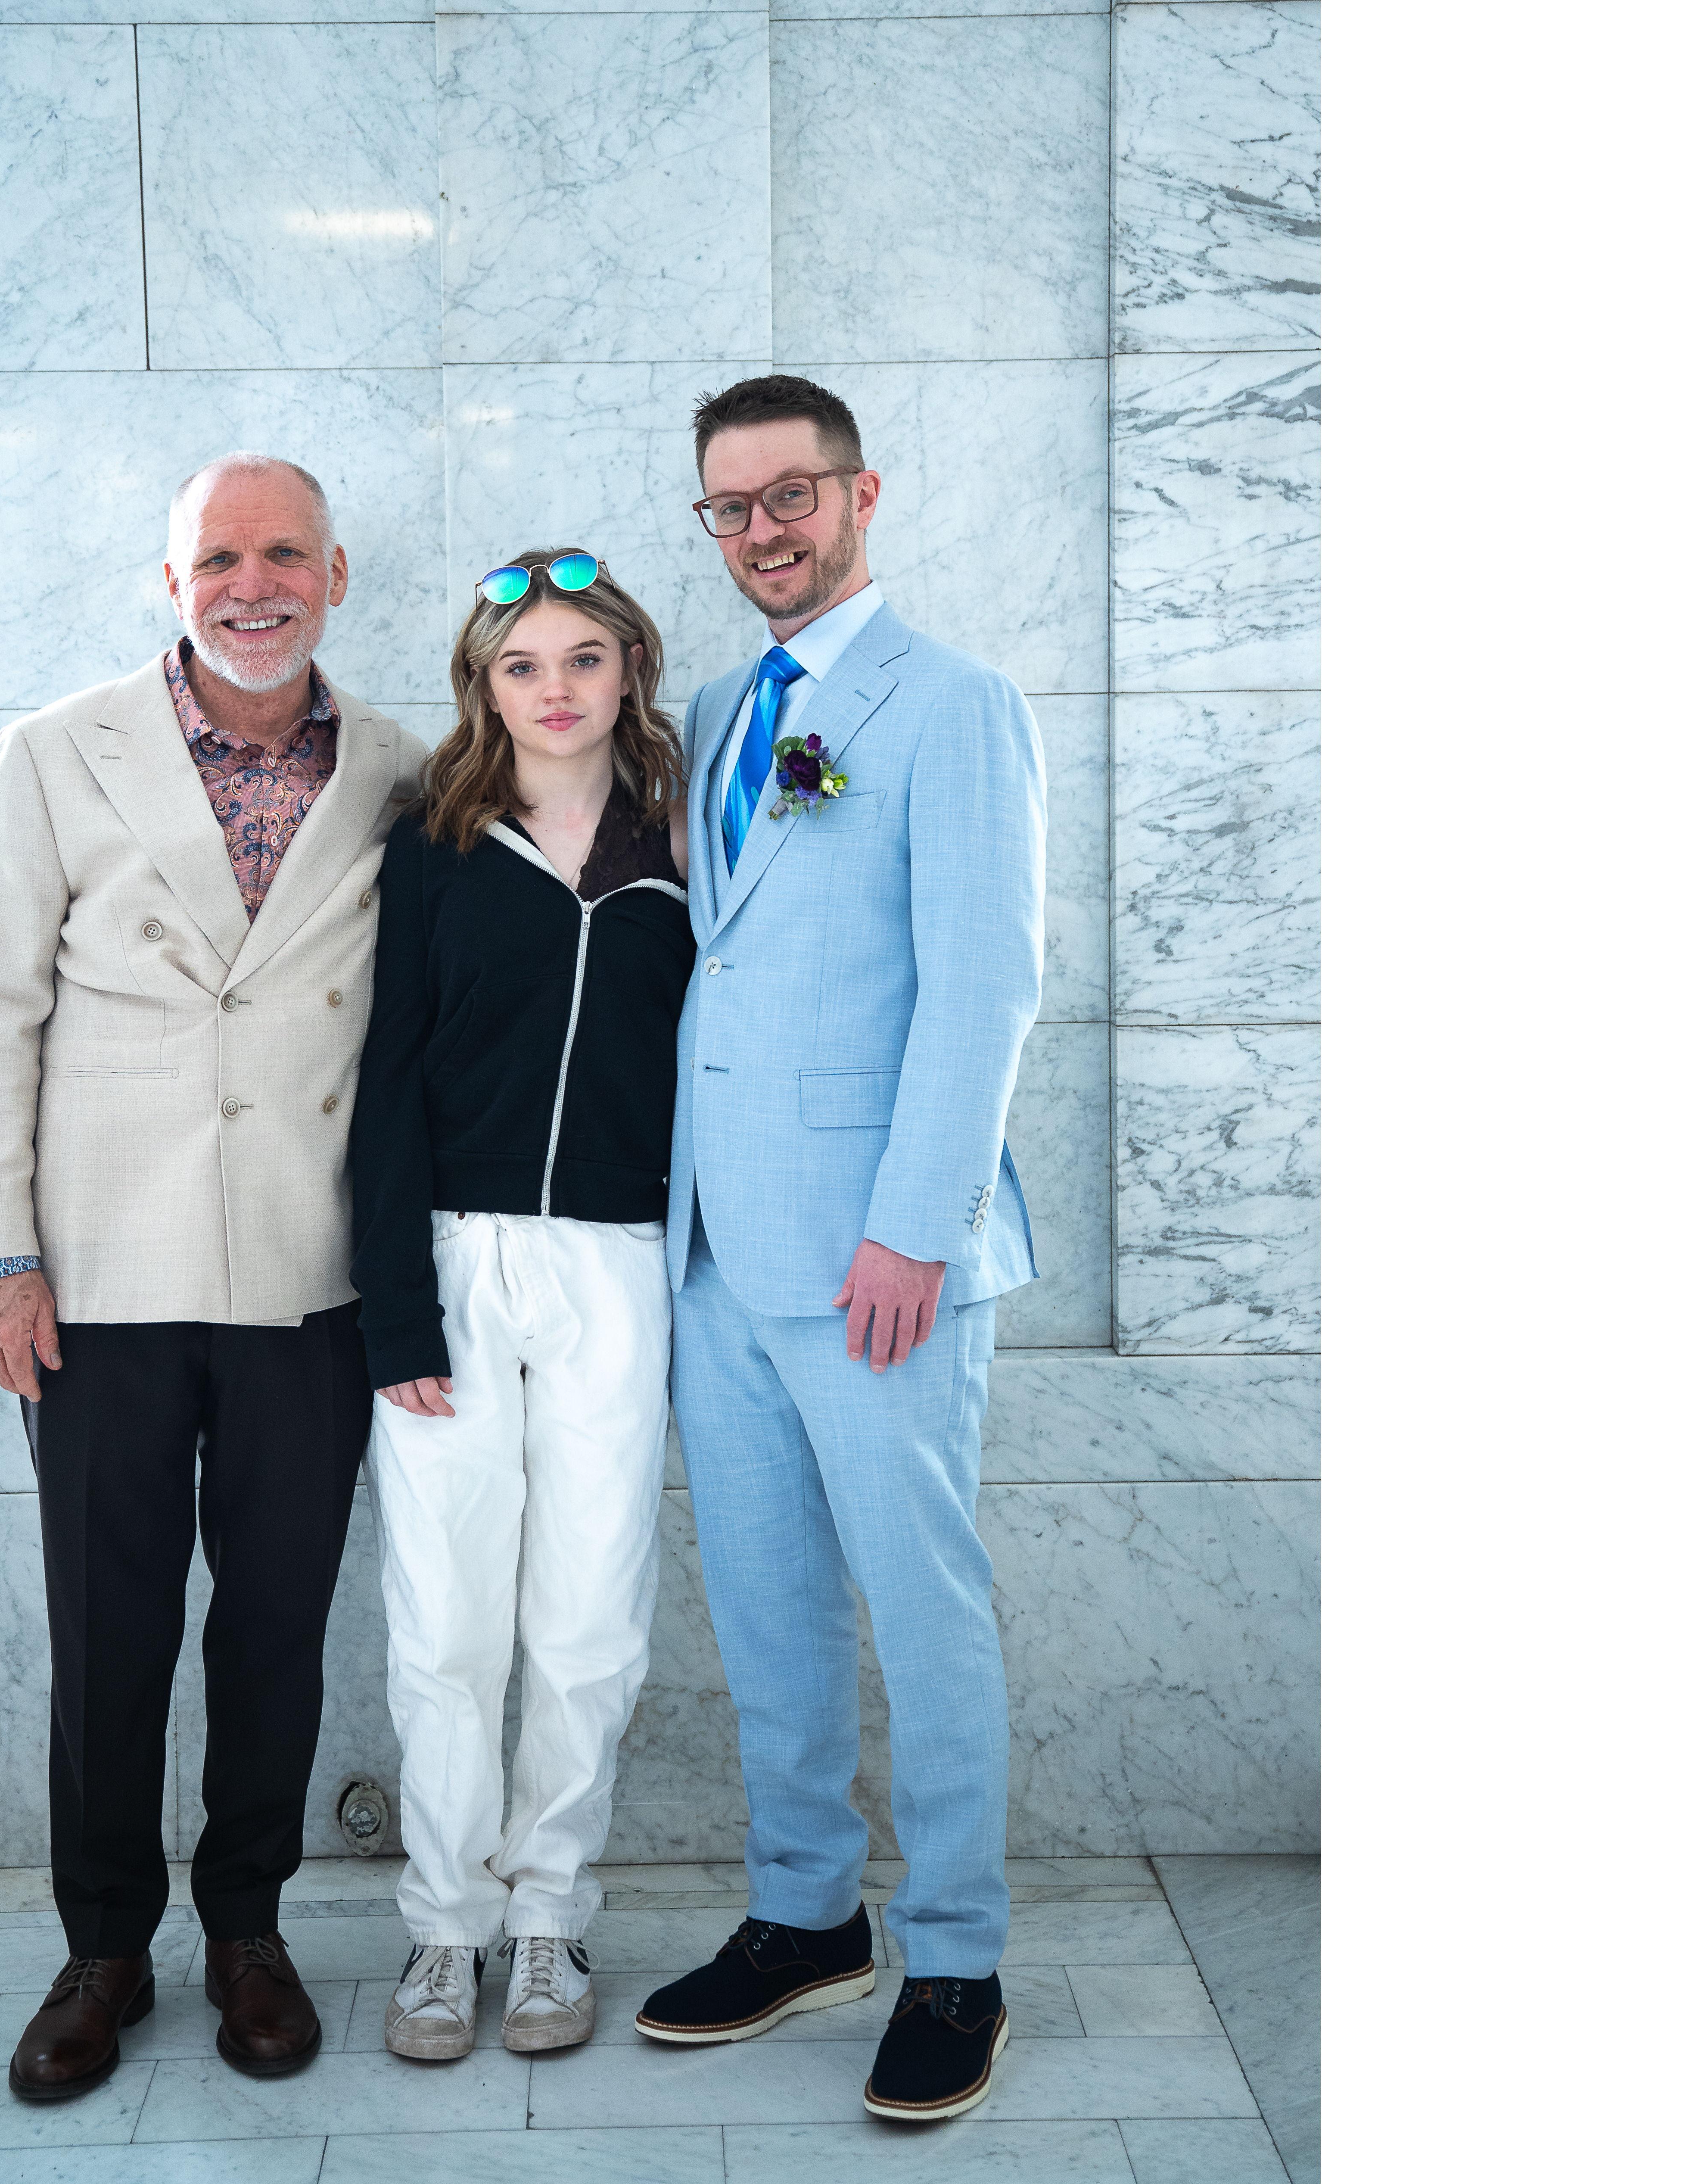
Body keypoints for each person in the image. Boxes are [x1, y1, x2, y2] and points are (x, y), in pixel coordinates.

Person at [0, 453, 426, 2099]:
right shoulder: (50, 754)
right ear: (175, 582)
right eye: (220, 557)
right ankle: (101, 1950)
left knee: (277, 1627)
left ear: (338, 574)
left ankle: (249, 1932)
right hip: (97, 1274)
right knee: (110, 1629)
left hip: (309, 1276)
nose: (253, 582)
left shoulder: (408, 774)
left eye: (285, 552)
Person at [631, 377, 1047, 2125]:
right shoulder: (717, 706)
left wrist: (911, 1226)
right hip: (716, 1247)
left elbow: (984, 981)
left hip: (880, 1257)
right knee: (765, 1600)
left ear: (858, 492)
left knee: (918, 1601)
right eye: (727, 508)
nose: (759, 532)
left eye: (787, 495)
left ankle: (955, 1952)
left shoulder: (949, 703)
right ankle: (808, 1912)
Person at [349, 549, 694, 2059]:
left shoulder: (689, 834)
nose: (554, 690)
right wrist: (396, 1315)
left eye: (581, 659)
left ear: (629, 666)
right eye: (520, 665)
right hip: (454, 1256)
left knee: (588, 1616)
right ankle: (444, 1930)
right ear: (484, 686)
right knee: (445, 1619)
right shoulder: (432, 837)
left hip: (620, 1261)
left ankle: (549, 1916)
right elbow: (384, 1081)